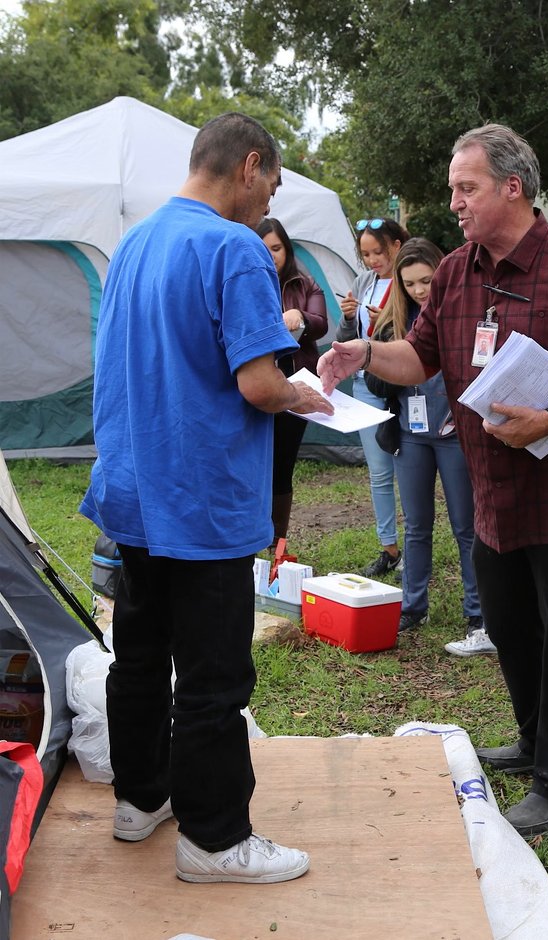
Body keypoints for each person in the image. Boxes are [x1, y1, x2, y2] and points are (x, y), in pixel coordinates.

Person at [318, 124, 548, 837]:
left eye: (465, 188)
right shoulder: (461, 269)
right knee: (509, 625)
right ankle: (535, 743)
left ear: (512, 187)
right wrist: (364, 351)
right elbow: (422, 357)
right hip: (493, 492)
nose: (455, 203)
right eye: (451, 190)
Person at [80, 112, 332, 883]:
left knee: (140, 657)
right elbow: (258, 384)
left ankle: (140, 800)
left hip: (133, 489)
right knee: (216, 675)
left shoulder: (134, 244)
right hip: (203, 498)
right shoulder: (234, 248)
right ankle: (215, 841)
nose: (269, 206)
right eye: (274, 187)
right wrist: (306, 394)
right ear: (251, 166)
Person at [365, 236, 490, 654]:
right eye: (410, 283)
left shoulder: (460, 312)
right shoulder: (393, 319)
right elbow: (373, 378)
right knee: (416, 525)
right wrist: (382, 360)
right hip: (409, 434)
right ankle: (412, 606)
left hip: (454, 433)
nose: (420, 290)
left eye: (426, 280)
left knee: (466, 525)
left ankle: (480, 614)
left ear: (442, 273)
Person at [336, 217, 409, 579]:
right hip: (367, 383)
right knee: (379, 473)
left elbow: (420, 334)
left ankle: (415, 549)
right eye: (365, 254)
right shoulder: (363, 282)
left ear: (396, 246)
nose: (371, 261)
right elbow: (345, 334)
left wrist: (390, 324)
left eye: (377, 252)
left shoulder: (411, 279)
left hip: (403, 386)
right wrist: (349, 318)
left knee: (409, 470)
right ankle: (389, 549)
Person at [255, 217, 328, 548]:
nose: (271, 255)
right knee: (254, 465)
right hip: (255, 384)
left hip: (296, 385)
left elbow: (321, 323)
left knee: (282, 466)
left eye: (276, 248)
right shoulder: (247, 281)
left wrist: (302, 318)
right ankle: (252, 539)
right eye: (263, 248)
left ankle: (277, 542)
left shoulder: (303, 283)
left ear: (287, 249)